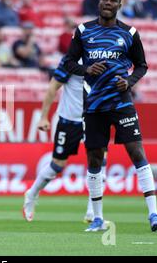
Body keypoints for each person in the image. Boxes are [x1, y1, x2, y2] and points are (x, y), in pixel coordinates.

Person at [62, 0, 157, 232]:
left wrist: (129, 81)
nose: (107, 3)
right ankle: (97, 218)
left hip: (121, 103)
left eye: (113, 0)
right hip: (94, 105)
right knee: (95, 157)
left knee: (136, 152)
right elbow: (67, 63)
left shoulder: (129, 33)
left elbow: (142, 65)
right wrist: (86, 69)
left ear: (119, 5)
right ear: (99, 3)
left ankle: (154, 214)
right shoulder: (84, 31)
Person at [22, 59, 107, 223]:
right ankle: (31, 194)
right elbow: (53, 86)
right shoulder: (72, 61)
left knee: (99, 163)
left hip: (94, 119)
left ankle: (92, 212)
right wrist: (43, 117)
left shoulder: (103, 58)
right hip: (70, 120)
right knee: (57, 166)